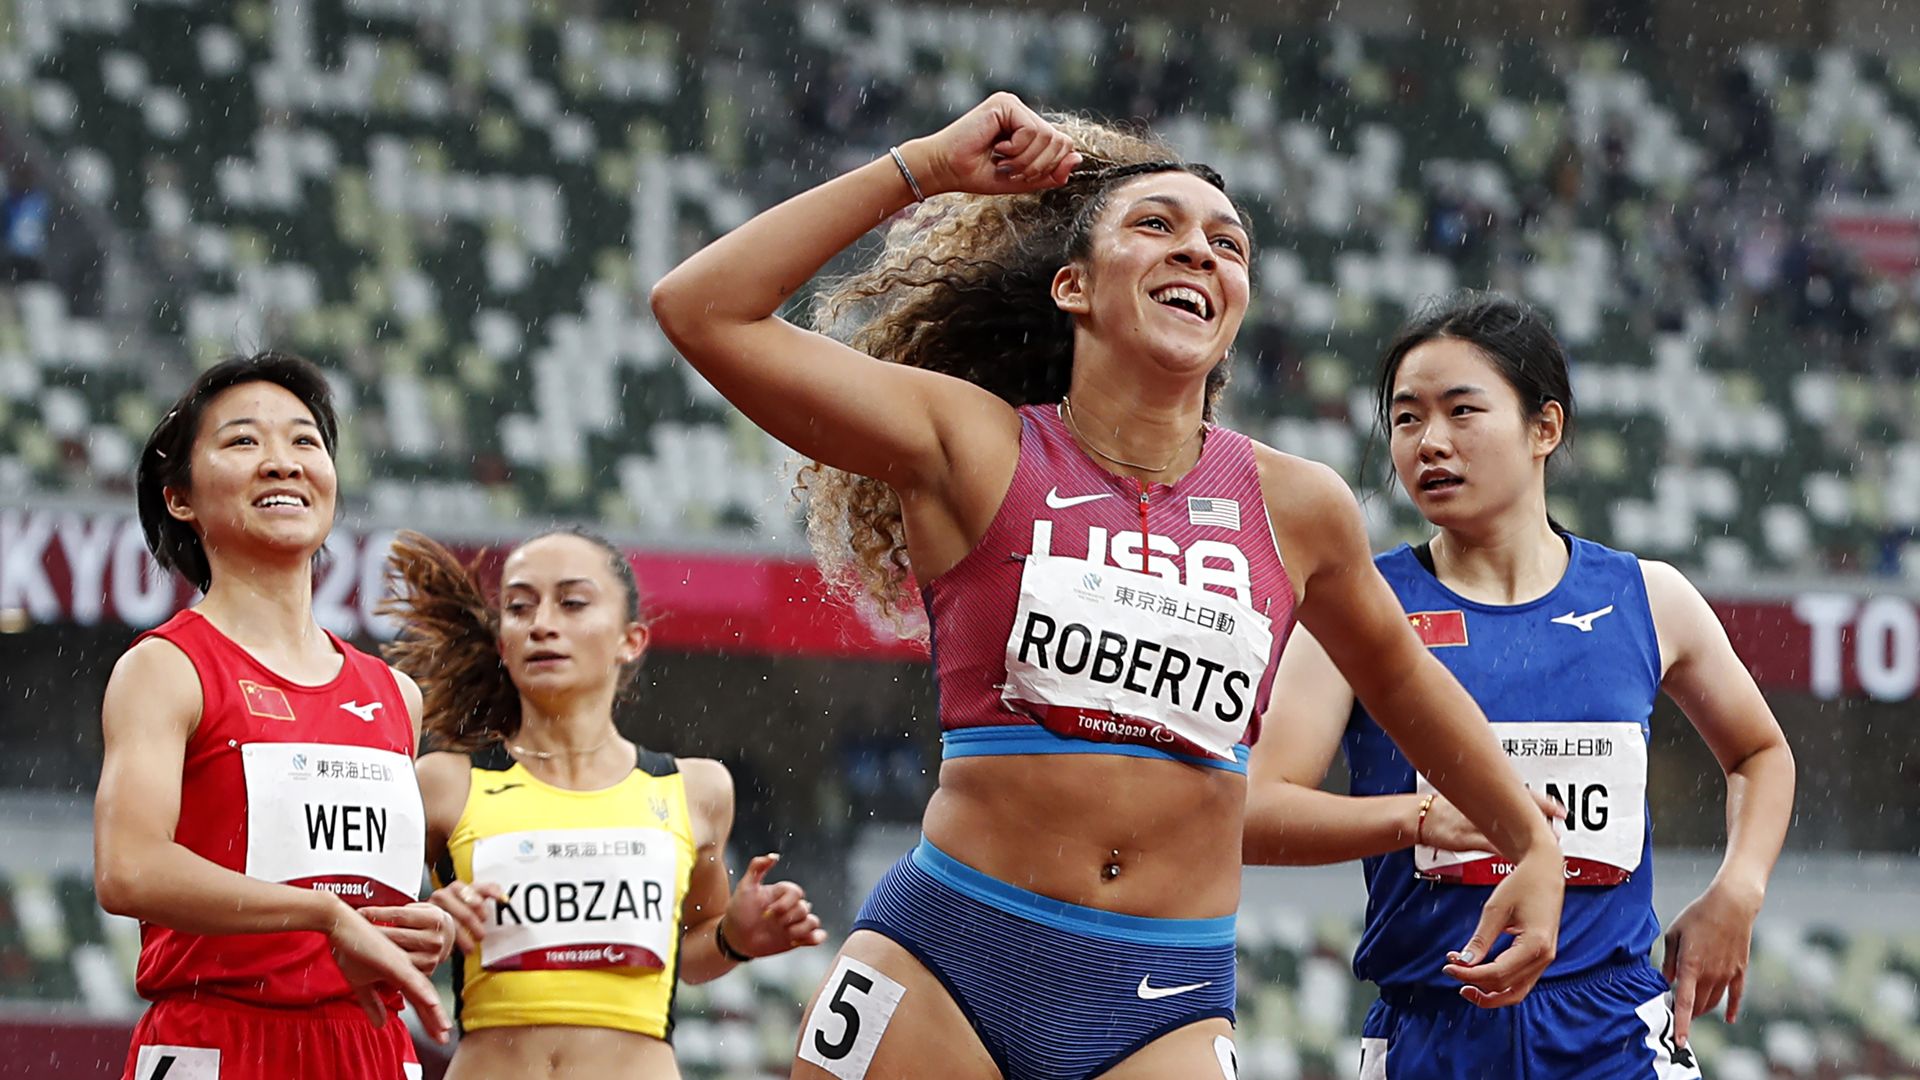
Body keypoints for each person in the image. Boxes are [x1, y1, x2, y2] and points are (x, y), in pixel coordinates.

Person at [651, 92, 1566, 1080]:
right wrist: (922, 167)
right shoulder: (975, 446)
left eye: (1228, 244)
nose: (1199, 253)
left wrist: (1532, 845)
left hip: (1161, 999)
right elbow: (700, 309)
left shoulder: (1299, 505)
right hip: (946, 958)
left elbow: (1405, 683)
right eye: (1156, 227)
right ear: (1073, 288)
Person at [1243, 292, 1796, 1078]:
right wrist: (1422, 818)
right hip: (1432, 1030)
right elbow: (1255, 813)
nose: (1430, 442)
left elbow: (1760, 752)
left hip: (1613, 1029)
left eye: (1462, 411)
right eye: (1406, 419)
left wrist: (1738, 890)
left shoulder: (1650, 598)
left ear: (1546, 427)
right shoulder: (1360, 611)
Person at [95, 352, 453, 1080]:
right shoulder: (165, 669)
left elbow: (367, 893)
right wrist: (323, 914)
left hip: (371, 1046)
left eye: (304, 442)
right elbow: (128, 869)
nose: (282, 463)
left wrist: (430, 922)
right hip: (220, 1040)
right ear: (180, 499)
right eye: (242, 442)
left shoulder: (395, 694)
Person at [381, 529, 826, 1080]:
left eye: (572, 603)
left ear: (631, 639)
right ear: (504, 642)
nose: (542, 623)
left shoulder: (695, 789)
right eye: (520, 607)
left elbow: (688, 953)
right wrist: (433, 919)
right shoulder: (443, 784)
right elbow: (370, 935)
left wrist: (736, 938)